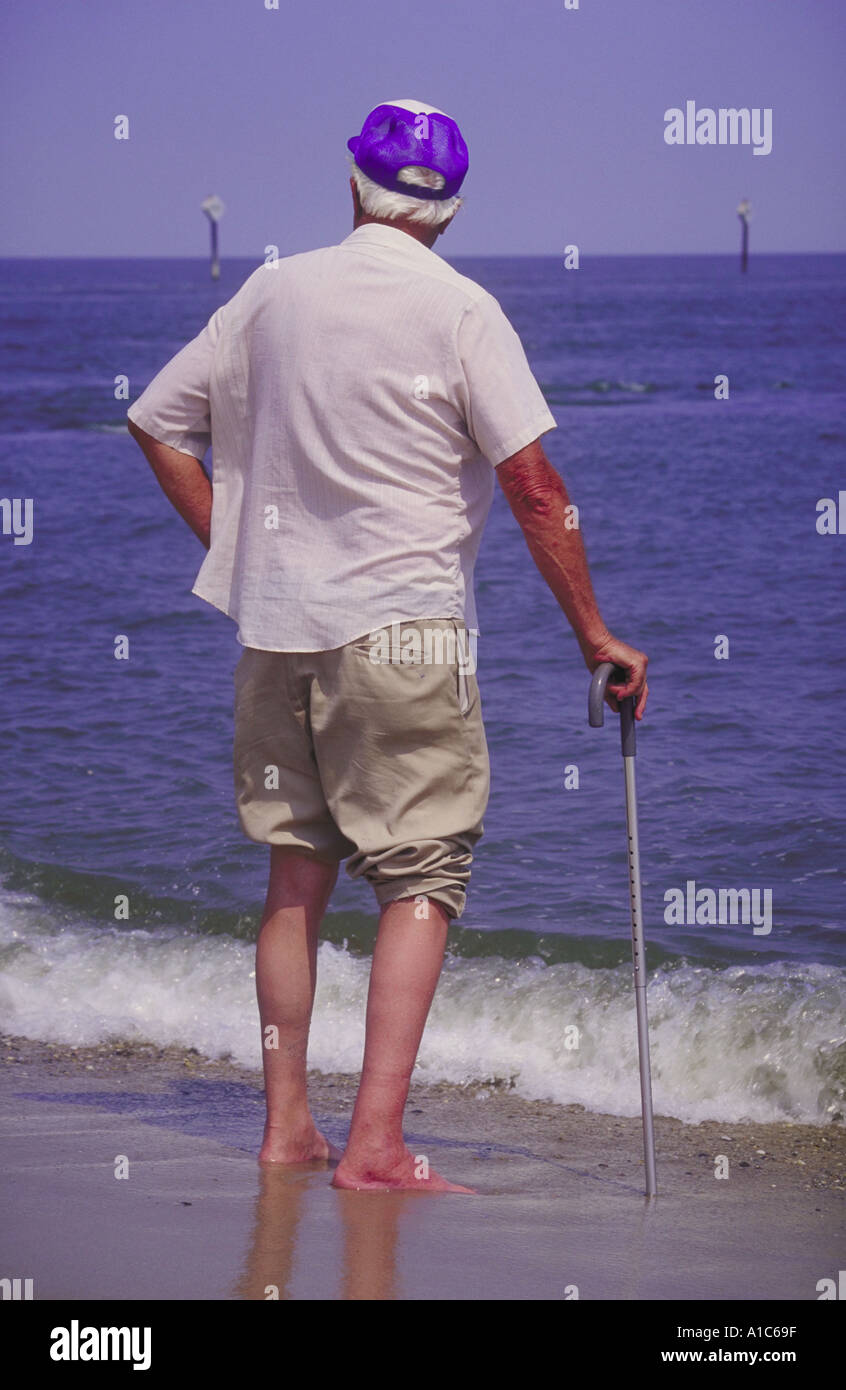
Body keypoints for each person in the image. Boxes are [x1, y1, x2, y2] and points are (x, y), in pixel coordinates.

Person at [127, 98, 648, 1194]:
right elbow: (536, 487)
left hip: (279, 637)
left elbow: (156, 422)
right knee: (422, 876)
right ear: (450, 210)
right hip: (407, 634)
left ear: (351, 185)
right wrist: (594, 634)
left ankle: (285, 1130)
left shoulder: (270, 291)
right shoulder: (462, 311)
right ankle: (373, 1145)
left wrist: (241, 556)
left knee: (293, 874)